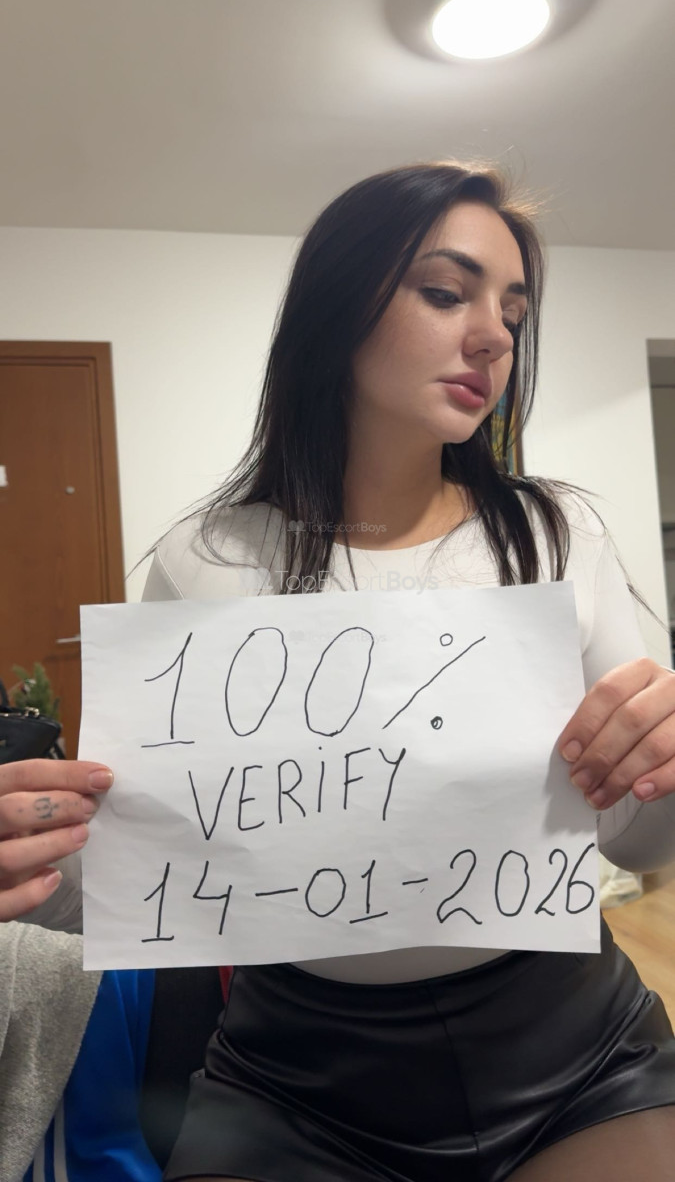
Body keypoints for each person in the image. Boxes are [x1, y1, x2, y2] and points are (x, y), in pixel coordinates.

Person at [2, 160, 675, 1181]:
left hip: (567, 1039)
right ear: (337, 305)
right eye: (445, 293)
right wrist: (32, 861)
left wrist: (659, 760)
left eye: (512, 311)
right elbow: (152, 859)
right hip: (294, 1073)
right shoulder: (208, 558)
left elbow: (641, 840)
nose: (494, 336)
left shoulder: (555, 533)